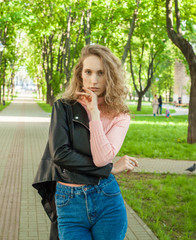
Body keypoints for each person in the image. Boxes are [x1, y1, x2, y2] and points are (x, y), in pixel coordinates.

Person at [32, 44, 138, 240]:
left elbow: (102, 158)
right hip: (69, 203)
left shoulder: (120, 115)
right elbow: (61, 154)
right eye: (88, 72)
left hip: (107, 200)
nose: (93, 80)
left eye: (101, 73)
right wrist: (109, 169)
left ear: (111, 76)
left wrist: (95, 114)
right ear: (80, 75)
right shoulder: (63, 107)